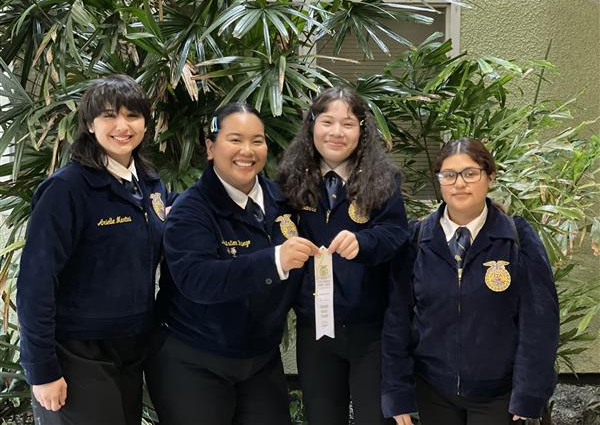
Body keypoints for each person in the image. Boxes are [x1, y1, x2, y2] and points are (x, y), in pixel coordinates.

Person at [146, 102, 318, 425]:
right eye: (235, 139)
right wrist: (274, 261)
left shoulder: (285, 201)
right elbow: (198, 279)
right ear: (211, 147)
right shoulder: (190, 210)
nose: (247, 151)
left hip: (260, 357)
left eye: (257, 140)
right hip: (193, 357)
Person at [17, 74, 174, 425]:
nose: (122, 126)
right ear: (89, 124)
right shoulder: (66, 190)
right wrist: (41, 369)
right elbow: (35, 284)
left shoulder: (150, 184)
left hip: (132, 347)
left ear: (145, 124)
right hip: (77, 352)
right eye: (108, 115)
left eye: (132, 115)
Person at [381, 137, 559, 425]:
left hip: (499, 395)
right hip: (432, 390)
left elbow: (540, 322)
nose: (459, 183)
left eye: (470, 173)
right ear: (439, 181)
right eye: (449, 175)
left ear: (489, 177)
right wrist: (396, 392)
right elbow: (396, 320)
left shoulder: (517, 238)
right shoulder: (417, 239)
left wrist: (529, 394)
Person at [277, 87, 409, 425]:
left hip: (370, 330)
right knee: (322, 417)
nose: (337, 132)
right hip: (315, 327)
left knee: (374, 418)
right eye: (327, 121)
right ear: (311, 125)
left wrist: (364, 243)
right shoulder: (289, 181)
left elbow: (396, 235)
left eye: (348, 124)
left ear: (362, 130)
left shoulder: (384, 179)